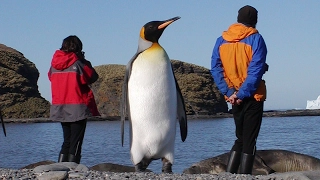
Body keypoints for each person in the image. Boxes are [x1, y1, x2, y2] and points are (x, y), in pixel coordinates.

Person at [210, 5, 268, 174]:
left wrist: (229, 92)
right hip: (253, 95)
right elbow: (254, 70)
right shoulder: (256, 39)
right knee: (250, 140)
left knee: (240, 138)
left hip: (233, 96)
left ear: (238, 18)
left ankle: (229, 175)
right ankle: (244, 176)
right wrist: (242, 94)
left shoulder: (221, 40)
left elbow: (216, 68)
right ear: (255, 21)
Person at [48, 35, 100, 163]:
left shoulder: (54, 65)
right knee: (76, 141)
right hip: (77, 106)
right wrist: (83, 60)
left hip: (60, 106)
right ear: (78, 47)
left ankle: (61, 166)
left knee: (67, 140)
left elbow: (50, 77)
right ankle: (73, 167)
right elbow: (93, 76)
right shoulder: (78, 63)